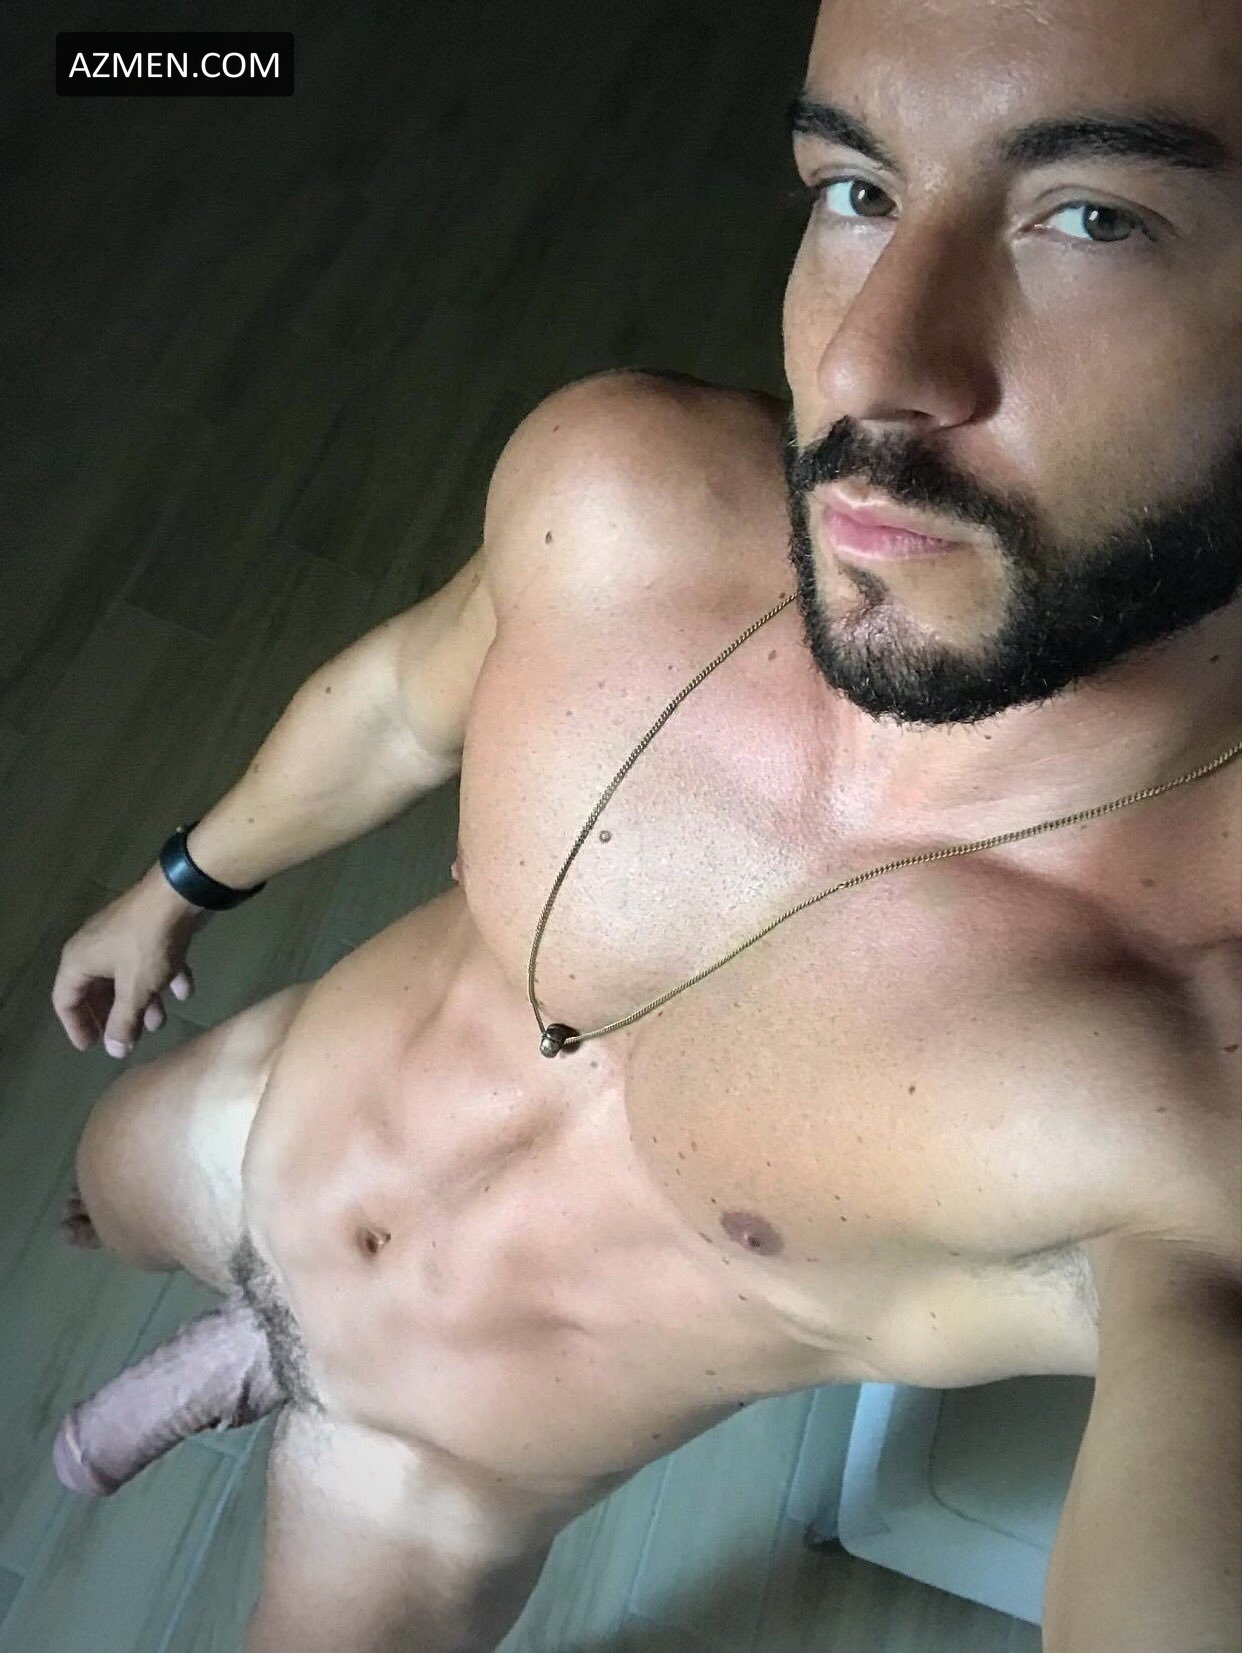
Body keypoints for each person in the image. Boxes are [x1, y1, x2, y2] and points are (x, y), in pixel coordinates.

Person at [49, 0, 1242, 1647]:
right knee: (100, 1196)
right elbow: (397, 704)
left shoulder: (1183, 1068)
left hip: (425, 1461)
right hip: (245, 1128)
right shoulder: (626, 496)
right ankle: (226, 1339)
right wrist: (177, 883)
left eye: (1091, 217)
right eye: (855, 190)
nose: (865, 366)